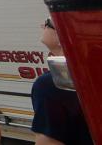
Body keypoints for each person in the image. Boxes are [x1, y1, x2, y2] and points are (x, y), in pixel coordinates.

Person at [31, 16, 91, 145]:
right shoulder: (91, 72)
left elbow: (47, 143)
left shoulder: (50, 84)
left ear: (62, 35)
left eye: (47, 23)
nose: (42, 26)